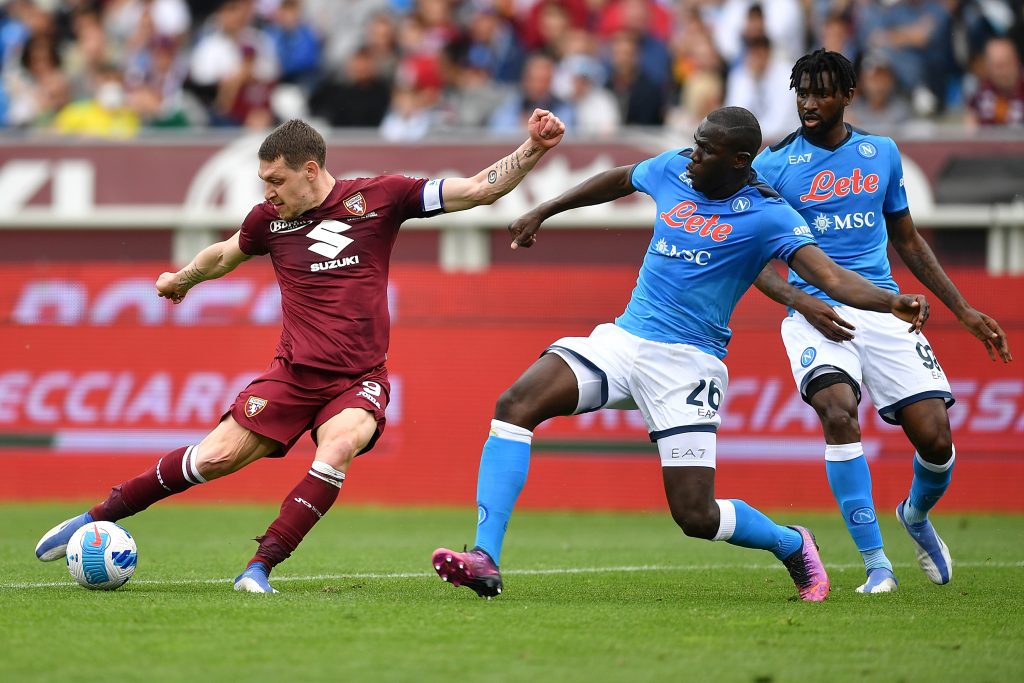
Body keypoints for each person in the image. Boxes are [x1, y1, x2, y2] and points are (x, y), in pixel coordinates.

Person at [35, 110, 567, 593]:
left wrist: (534, 148)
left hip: (360, 378)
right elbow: (223, 254)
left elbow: (477, 190)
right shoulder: (268, 221)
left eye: (276, 180)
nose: (267, 191)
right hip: (291, 375)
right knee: (213, 458)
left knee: (337, 447)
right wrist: (181, 280)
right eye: (263, 181)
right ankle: (91, 519)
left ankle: (258, 568)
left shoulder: (382, 197)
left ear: (311, 170)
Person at [432, 105, 930, 603]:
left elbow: (832, 277)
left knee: (696, 515)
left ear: (738, 160)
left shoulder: (770, 215)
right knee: (515, 405)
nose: (693, 155)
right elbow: (620, 179)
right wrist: (543, 210)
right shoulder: (674, 168)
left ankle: (791, 542)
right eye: (695, 142)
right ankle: (485, 558)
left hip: (689, 365)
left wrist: (891, 301)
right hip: (624, 341)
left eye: (706, 149)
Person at [750, 49, 1012, 594]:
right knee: (838, 412)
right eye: (801, 92)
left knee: (936, 441)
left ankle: (914, 515)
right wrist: (802, 303)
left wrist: (963, 309)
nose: (809, 103)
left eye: (822, 92)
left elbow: (908, 239)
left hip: (883, 306)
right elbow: (749, 259)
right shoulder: (772, 167)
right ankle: (877, 566)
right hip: (815, 314)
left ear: (848, 95)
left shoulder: (881, 154)